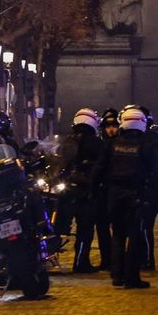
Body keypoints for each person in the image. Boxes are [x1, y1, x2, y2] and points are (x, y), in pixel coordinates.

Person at [95, 106, 158, 289]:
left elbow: (99, 170)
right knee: (135, 236)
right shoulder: (146, 145)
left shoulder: (112, 144)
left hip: (115, 196)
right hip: (136, 196)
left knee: (117, 234)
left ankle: (117, 275)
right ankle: (131, 277)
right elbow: (156, 174)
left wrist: (95, 192)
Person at [58, 108, 105, 273]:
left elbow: (59, 163)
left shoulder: (67, 141)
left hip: (66, 190)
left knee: (60, 225)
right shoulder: (97, 143)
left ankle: (50, 253)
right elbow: (102, 167)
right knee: (85, 228)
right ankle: (80, 262)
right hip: (87, 191)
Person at [136, 106, 158, 271]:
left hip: (147, 191)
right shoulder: (148, 139)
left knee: (145, 227)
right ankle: (142, 260)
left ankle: (147, 260)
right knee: (140, 228)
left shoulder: (152, 140)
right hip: (141, 191)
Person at [93, 109, 119, 271]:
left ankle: (117, 260)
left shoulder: (121, 144)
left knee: (118, 229)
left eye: (114, 126)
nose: (111, 130)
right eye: (108, 127)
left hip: (116, 191)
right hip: (102, 192)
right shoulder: (98, 145)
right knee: (102, 228)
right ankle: (106, 260)